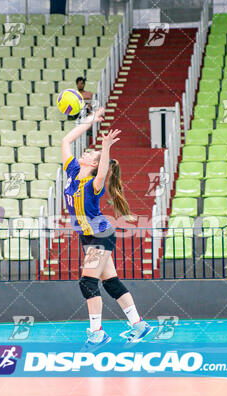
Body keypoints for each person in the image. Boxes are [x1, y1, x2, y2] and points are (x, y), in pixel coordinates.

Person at [61, 107, 153, 346]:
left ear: (94, 163)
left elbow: (103, 170)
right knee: (110, 282)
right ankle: (138, 325)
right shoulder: (72, 171)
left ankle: (97, 333)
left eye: (92, 154)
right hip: (88, 236)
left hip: (100, 234)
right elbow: (66, 140)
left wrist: (106, 147)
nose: (87, 152)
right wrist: (91, 120)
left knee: (87, 282)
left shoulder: (93, 183)